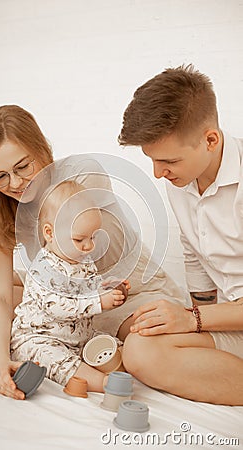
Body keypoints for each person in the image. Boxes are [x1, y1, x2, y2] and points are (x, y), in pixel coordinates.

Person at [0, 104, 186, 400]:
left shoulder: (81, 176)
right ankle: (49, 332)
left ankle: (78, 337)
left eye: (22, 167)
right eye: (0, 176)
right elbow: (1, 296)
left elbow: (80, 267)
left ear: (41, 149)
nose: (14, 184)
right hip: (65, 284)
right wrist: (0, 364)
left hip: (113, 288)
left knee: (140, 340)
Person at [118, 64, 243, 405]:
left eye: (168, 161)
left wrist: (193, 320)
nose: (158, 173)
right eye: (153, 161)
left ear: (211, 140)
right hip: (235, 318)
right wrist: (193, 319)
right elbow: (196, 256)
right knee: (140, 345)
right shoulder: (184, 179)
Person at [11, 180, 126, 392]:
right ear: (50, 233)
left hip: (78, 336)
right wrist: (98, 302)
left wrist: (105, 287)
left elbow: (88, 287)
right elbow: (58, 306)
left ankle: (117, 368)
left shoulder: (83, 260)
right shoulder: (43, 268)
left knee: (115, 344)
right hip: (39, 338)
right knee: (55, 359)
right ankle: (103, 384)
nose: (89, 245)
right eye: (79, 239)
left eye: (92, 237)